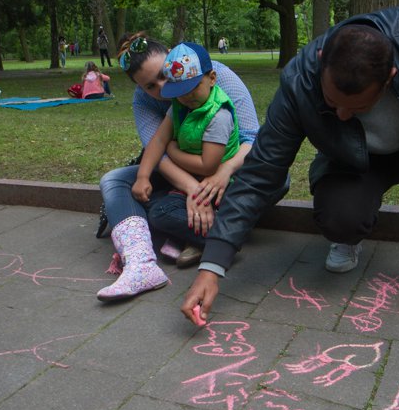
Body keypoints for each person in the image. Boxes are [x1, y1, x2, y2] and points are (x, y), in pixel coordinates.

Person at [181, 3, 399, 325]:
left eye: (359, 107)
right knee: (340, 220)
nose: (343, 115)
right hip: (354, 159)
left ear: (390, 77)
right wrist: (212, 266)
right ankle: (348, 236)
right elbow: (260, 174)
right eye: (332, 102)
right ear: (322, 61)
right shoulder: (299, 81)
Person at [96, 33, 287, 302]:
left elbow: (251, 139)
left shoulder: (214, 77)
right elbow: (157, 152)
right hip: (183, 173)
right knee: (115, 180)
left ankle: (206, 233)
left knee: (278, 176)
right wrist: (195, 191)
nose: (163, 88)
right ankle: (141, 264)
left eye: (164, 75)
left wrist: (223, 173)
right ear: (139, 88)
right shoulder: (157, 102)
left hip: (226, 169)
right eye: (150, 86)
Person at [133, 42, 240, 271]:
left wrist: (172, 151)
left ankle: (222, 238)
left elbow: (208, 166)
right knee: (158, 211)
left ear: (212, 78)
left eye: (193, 87)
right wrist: (142, 176)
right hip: (192, 181)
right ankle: (201, 236)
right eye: (180, 91)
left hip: (219, 186)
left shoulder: (218, 115)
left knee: (161, 214)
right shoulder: (178, 106)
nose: (187, 96)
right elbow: (158, 141)